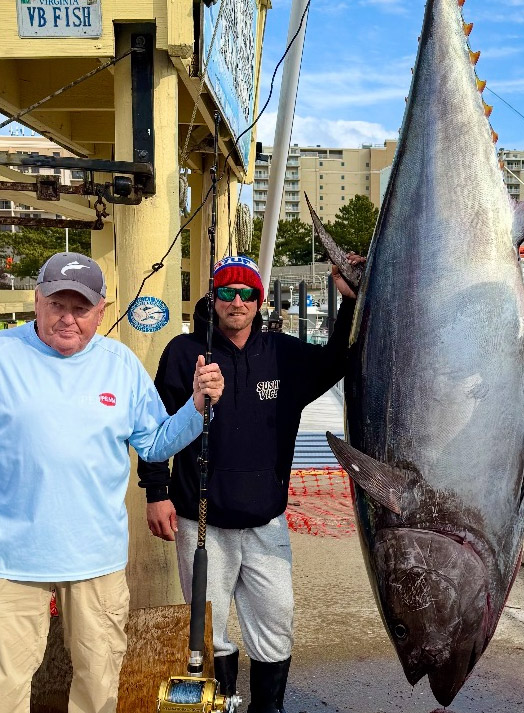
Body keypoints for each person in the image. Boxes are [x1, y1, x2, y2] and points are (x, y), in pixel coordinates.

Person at [0, 252, 224, 713]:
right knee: (0, 691)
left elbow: (156, 444)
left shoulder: (119, 364)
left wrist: (197, 408)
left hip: (96, 562)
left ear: (100, 310)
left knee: (98, 686)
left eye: (80, 308)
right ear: (36, 299)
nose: (68, 318)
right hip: (11, 562)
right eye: (56, 304)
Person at [139, 254, 360, 713]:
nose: (236, 302)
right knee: (209, 629)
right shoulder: (183, 353)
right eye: (226, 292)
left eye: (246, 293)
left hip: (267, 522)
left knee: (276, 622)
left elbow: (337, 360)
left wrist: (350, 302)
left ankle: (267, 708)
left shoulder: (284, 352)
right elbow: (154, 429)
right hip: (201, 520)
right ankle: (220, 702)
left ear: (259, 301)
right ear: (213, 298)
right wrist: (156, 492)